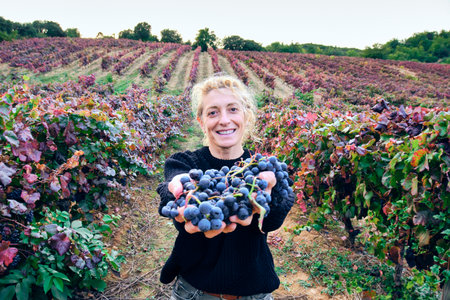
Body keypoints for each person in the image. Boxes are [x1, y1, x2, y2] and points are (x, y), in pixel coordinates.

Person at [157, 74, 295, 300]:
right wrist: (178, 190)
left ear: (246, 115)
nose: (224, 120)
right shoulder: (185, 163)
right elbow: (172, 187)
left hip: (255, 294)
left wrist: (272, 194)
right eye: (213, 112)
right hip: (193, 293)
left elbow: (271, 222)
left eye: (233, 109)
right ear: (201, 121)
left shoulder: (260, 169)